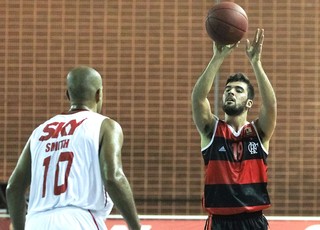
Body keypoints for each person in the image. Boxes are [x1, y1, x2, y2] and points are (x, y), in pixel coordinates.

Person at [6, 66, 141, 230]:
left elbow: (14, 187)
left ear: (68, 95)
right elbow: (113, 177)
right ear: (99, 94)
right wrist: (136, 227)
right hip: (78, 219)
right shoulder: (105, 126)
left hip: (36, 221)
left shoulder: (39, 132)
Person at [191, 28, 276, 230]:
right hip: (220, 223)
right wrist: (217, 58)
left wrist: (256, 63)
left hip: (253, 221)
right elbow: (198, 99)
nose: (231, 93)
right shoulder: (212, 130)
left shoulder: (259, 132)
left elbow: (271, 106)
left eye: (238, 90)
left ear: (248, 103)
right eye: (228, 90)